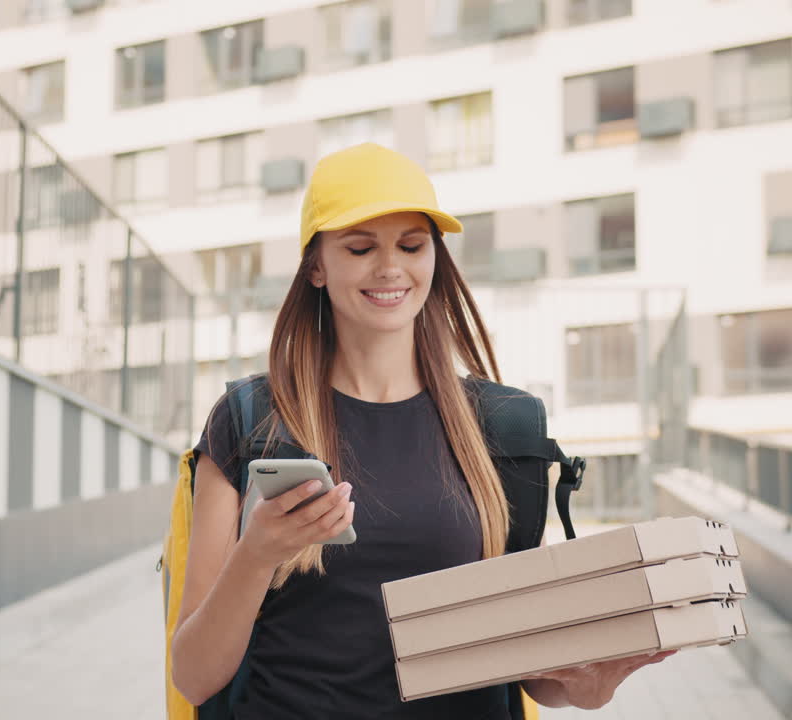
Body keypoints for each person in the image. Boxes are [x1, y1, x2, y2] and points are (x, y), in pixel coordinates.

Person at [170, 143, 673, 719]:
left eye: (412, 246)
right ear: (316, 267)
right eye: (361, 247)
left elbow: (533, 670)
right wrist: (257, 556)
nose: (391, 267)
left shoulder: (499, 425)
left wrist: (588, 686)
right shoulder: (251, 417)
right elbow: (194, 676)